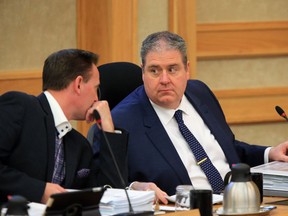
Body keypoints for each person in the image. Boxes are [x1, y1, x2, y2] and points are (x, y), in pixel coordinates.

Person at [92, 31, 288, 204]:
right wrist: (135, 187)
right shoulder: (121, 121)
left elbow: (226, 148)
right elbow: (109, 185)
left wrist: (270, 153)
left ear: (187, 69)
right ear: (142, 71)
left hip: (237, 203)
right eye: (154, 70)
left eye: (172, 69)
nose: (164, 80)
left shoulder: (199, 92)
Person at [0, 49, 128, 204]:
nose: (97, 98)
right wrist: (39, 190)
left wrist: (108, 130)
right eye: (96, 89)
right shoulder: (20, 107)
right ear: (79, 84)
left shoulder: (79, 145)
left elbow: (110, 196)